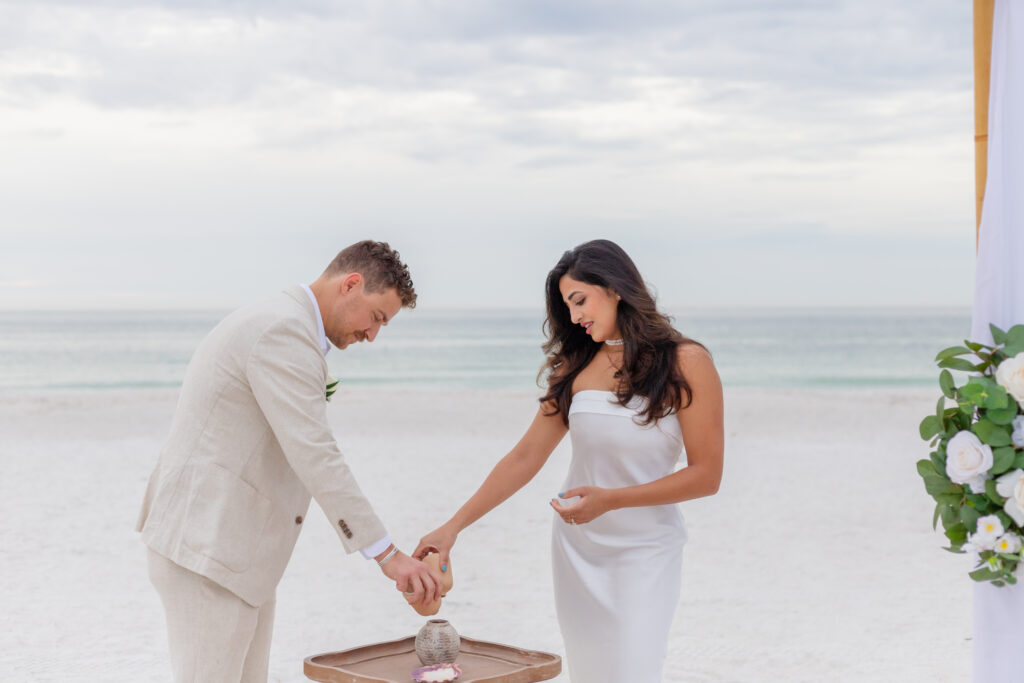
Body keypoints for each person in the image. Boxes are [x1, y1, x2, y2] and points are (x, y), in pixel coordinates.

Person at [414, 239, 724, 682]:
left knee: (635, 670)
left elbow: (706, 476)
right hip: (579, 550)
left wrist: (611, 500)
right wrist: (452, 528)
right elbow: (524, 457)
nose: (575, 316)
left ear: (615, 288)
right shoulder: (575, 367)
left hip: (646, 551)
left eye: (580, 300)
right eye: (567, 306)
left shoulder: (686, 362)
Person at [137, 240, 442, 683]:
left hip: (237, 555)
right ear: (351, 284)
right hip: (207, 549)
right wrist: (387, 554)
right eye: (376, 317)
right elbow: (314, 451)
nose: (373, 335)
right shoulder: (282, 331)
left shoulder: (285, 323)